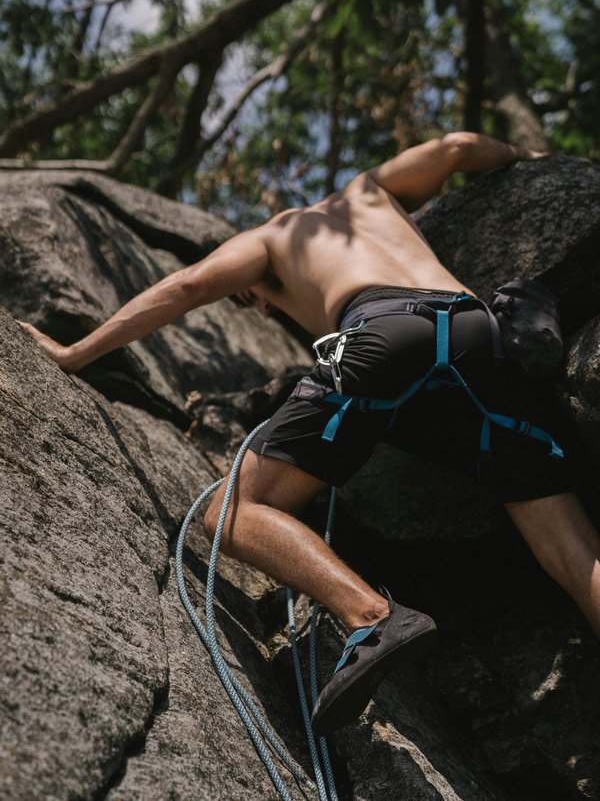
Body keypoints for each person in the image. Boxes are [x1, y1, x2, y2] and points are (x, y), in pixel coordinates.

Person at [20, 132, 600, 736]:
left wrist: (74, 353)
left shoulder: (269, 238)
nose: (261, 309)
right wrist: (534, 159)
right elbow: (455, 147)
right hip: (477, 332)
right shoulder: (369, 191)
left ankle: (371, 617)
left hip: (385, 330)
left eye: (251, 301)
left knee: (230, 513)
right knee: (572, 551)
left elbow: (189, 285)